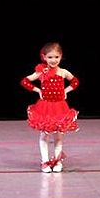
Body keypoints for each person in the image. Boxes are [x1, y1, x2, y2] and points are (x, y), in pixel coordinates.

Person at [20, 42, 79, 173]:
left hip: (60, 107)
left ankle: (57, 161)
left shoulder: (63, 72)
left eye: (56, 57)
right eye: (50, 57)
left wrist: (66, 91)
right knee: (44, 135)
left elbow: (75, 82)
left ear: (61, 56)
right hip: (45, 107)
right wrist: (37, 90)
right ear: (44, 57)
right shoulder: (42, 72)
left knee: (59, 136)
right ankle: (45, 161)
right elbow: (25, 81)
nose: (53, 60)